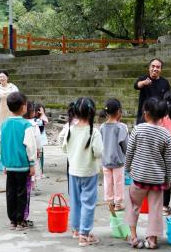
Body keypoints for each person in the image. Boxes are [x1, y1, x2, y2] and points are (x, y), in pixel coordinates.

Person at [125, 97, 171, 249]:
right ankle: (152, 240)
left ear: (145, 114)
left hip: (138, 178)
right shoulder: (166, 135)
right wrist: (168, 179)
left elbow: (129, 152)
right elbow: (169, 160)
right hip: (157, 181)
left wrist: (127, 169)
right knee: (155, 210)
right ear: (163, 115)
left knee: (133, 205)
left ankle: (133, 237)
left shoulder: (138, 129)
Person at [62, 97, 103, 247]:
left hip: (73, 171)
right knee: (88, 203)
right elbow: (99, 152)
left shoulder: (70, 129)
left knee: (75, 201)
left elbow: (64, 147)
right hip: (89, 172)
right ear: (92, 113)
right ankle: (84, 235)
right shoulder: (94, 132)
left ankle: (76, 229)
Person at [0, 92, 37, 230]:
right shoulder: (26, 125)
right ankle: (21, 220)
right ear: (23, 107)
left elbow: (2, 143)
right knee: (22, 193)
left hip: (9, 165)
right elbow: (30, 147)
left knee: (10, 193)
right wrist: (32, 164)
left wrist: (4, 163)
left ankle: (13, 220)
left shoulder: (4, 124)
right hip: (22, 165)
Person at [100, 98, 128, 211]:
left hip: (105, 160)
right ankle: (118, 203)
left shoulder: (102, 127)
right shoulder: (121, 127)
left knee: (107, 182)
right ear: (118, 112)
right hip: (118, 161)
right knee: (118, 182)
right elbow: (125, 145)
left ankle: (110, 201)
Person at [134, 58, 171, 124]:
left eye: (158, 67)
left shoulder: (165, 82)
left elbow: (168, 98)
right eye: (153, 66)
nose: (155, 69)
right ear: (149, 68)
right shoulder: (144, 78)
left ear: (161, 69)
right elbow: (136, 86)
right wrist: (144, 83)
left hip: (159, 116)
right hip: (144, 115)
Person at [34, 102, 48, 176]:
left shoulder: (39, 120)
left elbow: (45, 121)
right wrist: (42, 114)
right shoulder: (36, 121)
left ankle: (40, 170)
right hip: (35, 142)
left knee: (40, 156)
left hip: (40, 142)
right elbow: (46, 121)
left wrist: (42, 114)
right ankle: (38, 171)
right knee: (37, 157)